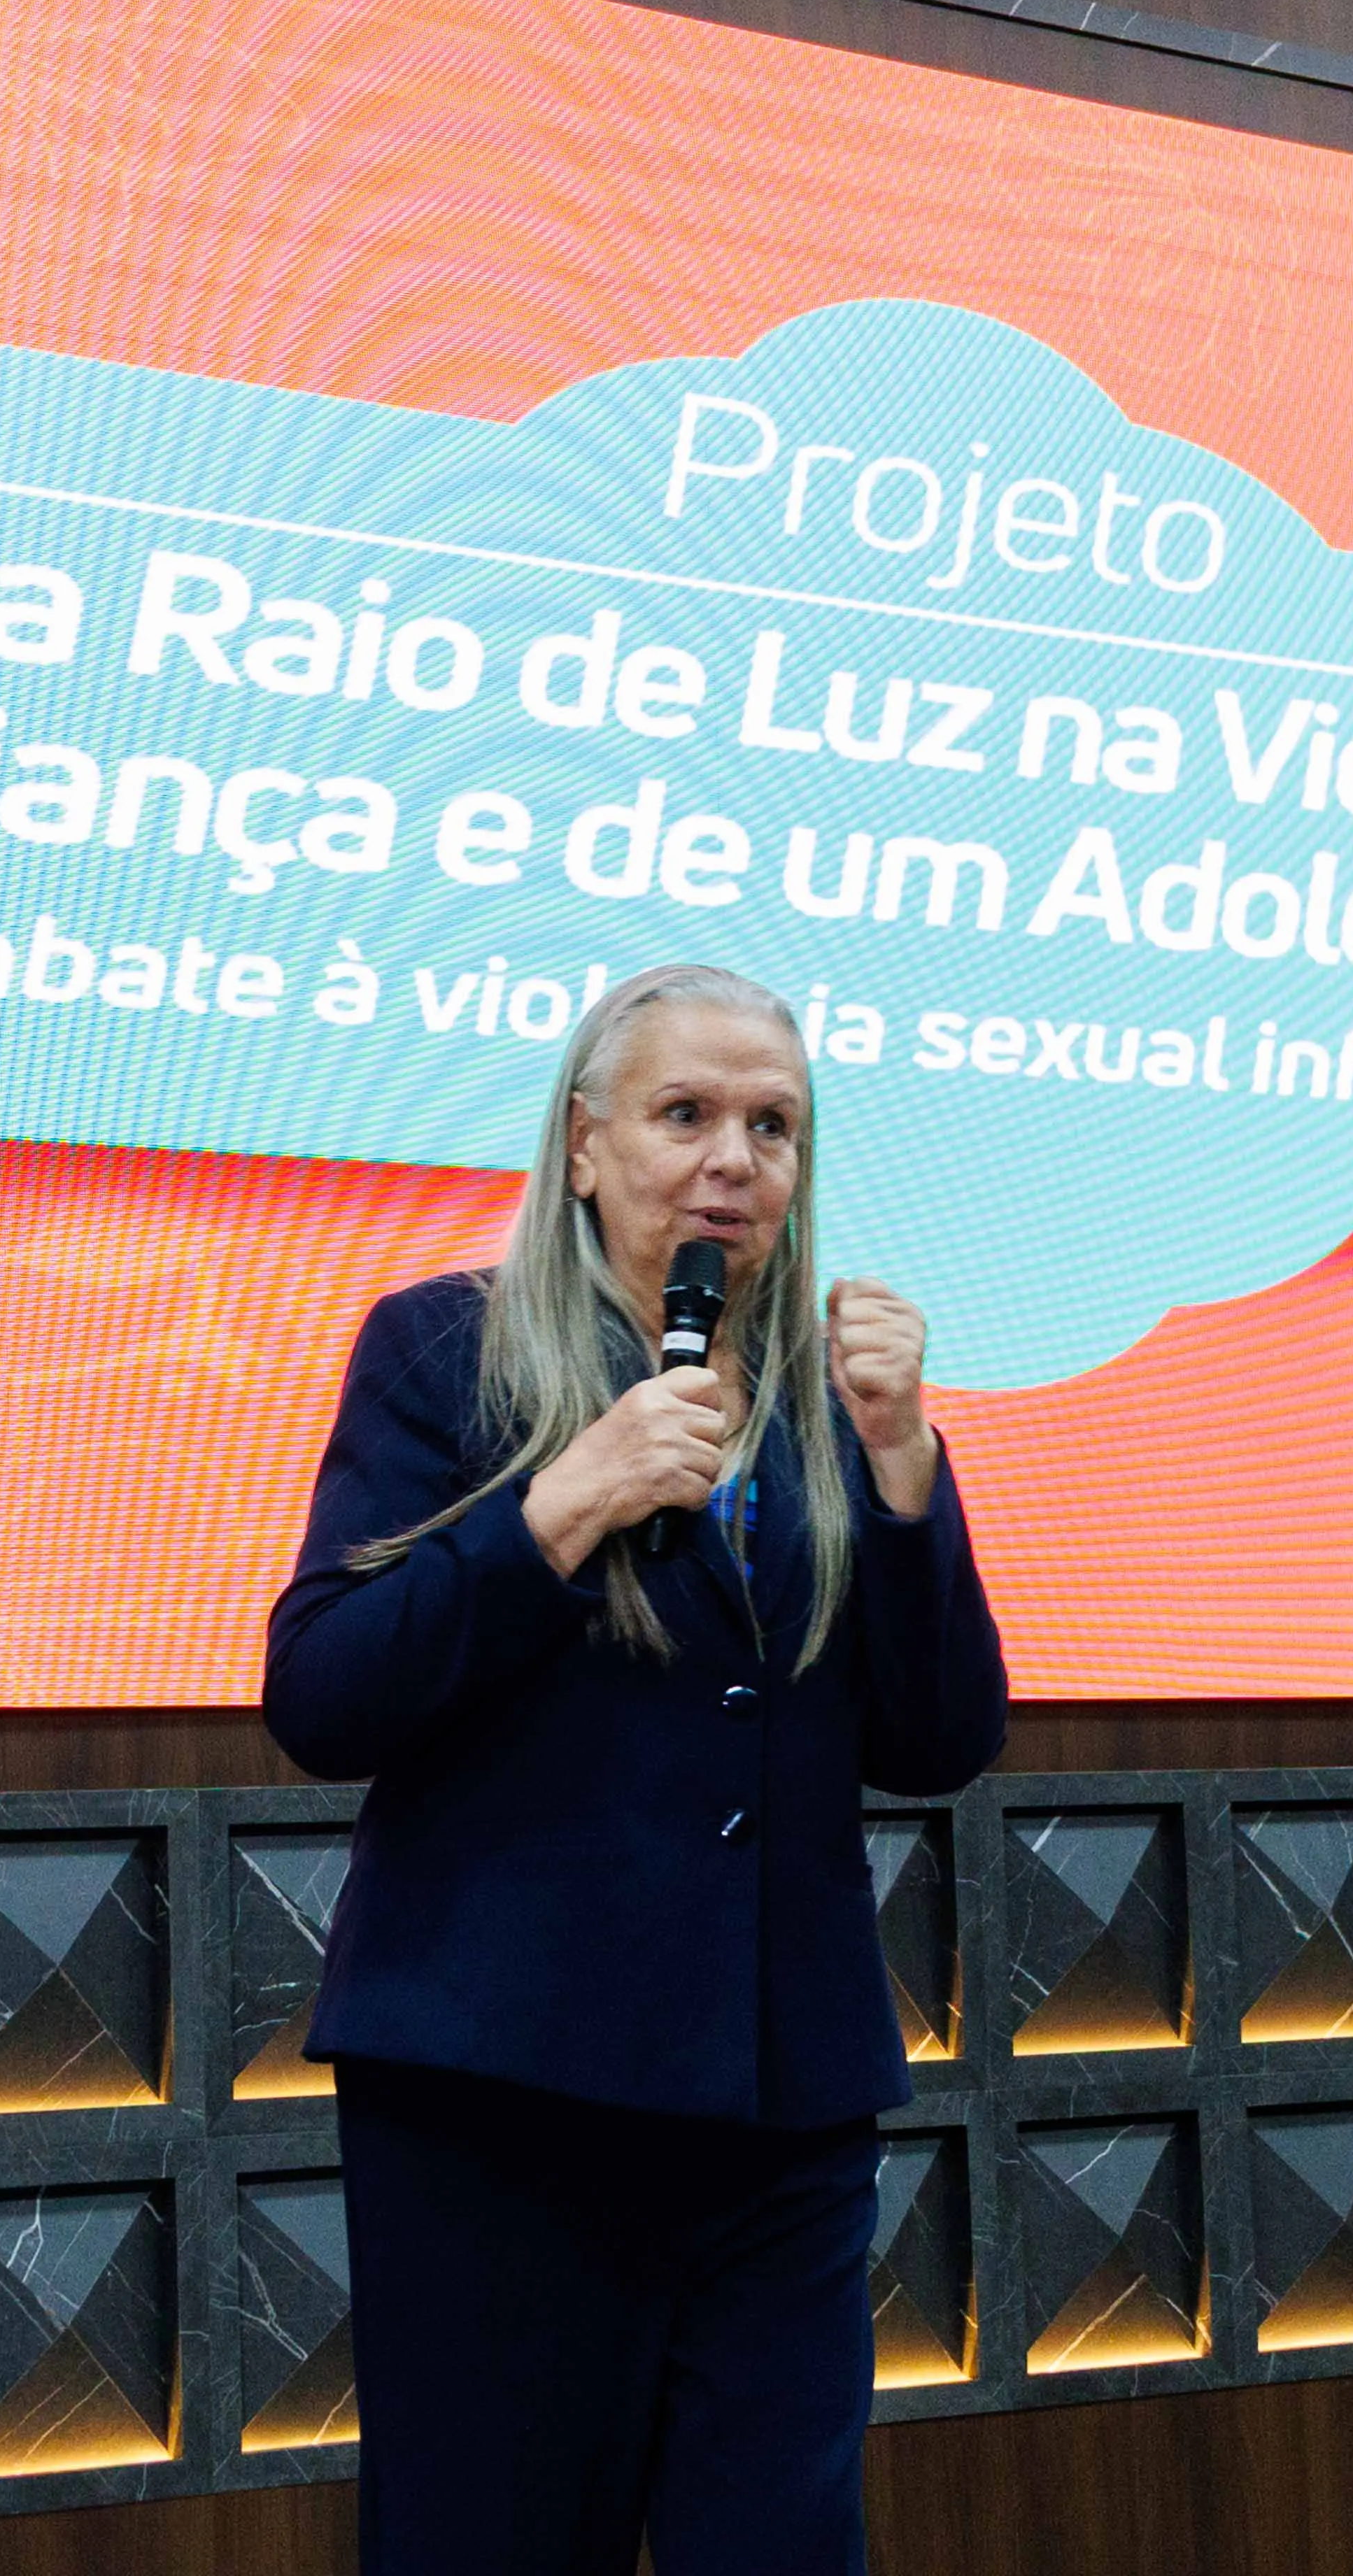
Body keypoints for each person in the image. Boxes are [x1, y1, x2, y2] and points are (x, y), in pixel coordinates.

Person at [267, 963, 1009, 2574]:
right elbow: (323, 1694)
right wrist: (559, 1506)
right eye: (686, 1115)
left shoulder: (829, 1398)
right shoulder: (445, 1352)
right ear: (588, 1145)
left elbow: (941, 1742)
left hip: (779, 2103)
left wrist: (903, 1471)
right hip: (504, 2101)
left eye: (773, 1124)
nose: (733, 1156)